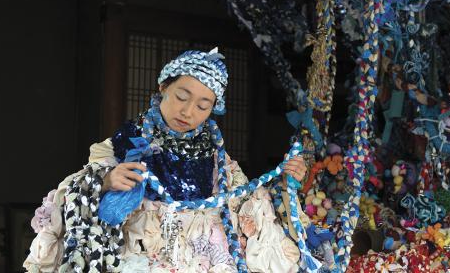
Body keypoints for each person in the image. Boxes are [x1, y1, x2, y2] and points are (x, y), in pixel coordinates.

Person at [24, 48, 309, 273]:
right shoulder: (126, 143)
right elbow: (72, 191)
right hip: (137, 258)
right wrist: (106, 180)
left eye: (202, 105)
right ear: (163, 88)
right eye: (181, 96)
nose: (187, 111)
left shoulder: (218, 162)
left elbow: (247, 206)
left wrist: (284, 183)